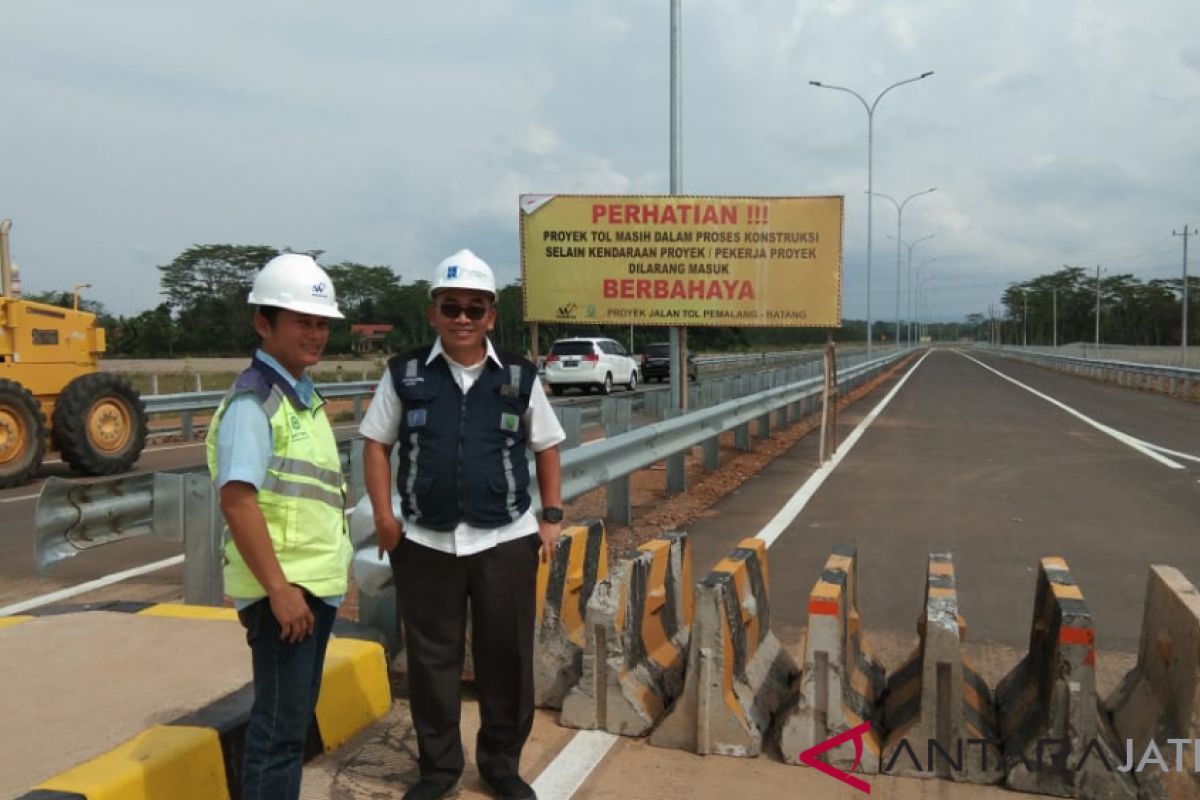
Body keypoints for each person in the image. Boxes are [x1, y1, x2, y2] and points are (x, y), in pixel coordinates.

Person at [359, 248, 564, 800]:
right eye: (451, 307)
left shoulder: (518, 375)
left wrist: (550, 517)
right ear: (434, 313)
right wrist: (384, 517)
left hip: (506, 540)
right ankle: (438, 771)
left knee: (507, 659)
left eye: (475, 308)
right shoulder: (404, 373)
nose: (463, 318)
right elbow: (376, 444)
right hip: (425, 542)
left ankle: (501, 766)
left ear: (491, 316)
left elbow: (546, 446)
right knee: (432, 663)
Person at [206, 253, 354, 800]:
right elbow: (238, 501)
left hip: (309, 588)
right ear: (263, 324)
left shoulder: (301, 396)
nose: (315, 334)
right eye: (301, 322)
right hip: (285, 596)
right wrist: (279, 590)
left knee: (289, 727)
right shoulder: (256, 403)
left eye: (321, 323)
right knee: (277, 734)